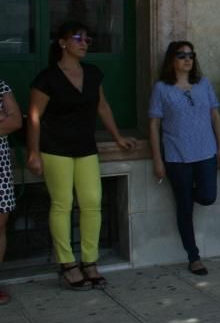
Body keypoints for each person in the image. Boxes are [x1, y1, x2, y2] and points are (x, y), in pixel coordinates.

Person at [27, 21, 137, 290]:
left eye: (88, 39)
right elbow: (34, 117)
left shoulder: (93, 73)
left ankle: (90, 261)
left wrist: (118, 137)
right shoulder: (47, 77)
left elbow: (103, 107)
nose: (84, 43)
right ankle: (67, 263)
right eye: (78, 38)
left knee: (91, 202)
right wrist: (33, 152)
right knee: (62, 204)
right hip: (55, 148)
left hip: (86, 147)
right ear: (63, 43)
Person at [149, 41, 220, 275]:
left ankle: (186, 194)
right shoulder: (162, 88)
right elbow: (154, 125)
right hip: (177, 156)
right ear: (172, 60)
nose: (187, 59)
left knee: (207, 196)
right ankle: (193, 256)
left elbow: (215, 116)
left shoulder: (203, 84)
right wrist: (157, 160)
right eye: (181, 55)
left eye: (190, 55)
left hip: (206, 152)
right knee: (184, 208)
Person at [0, 78, 23, 304]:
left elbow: (15, 121)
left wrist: (7, 119)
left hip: (0, 167)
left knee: (0, 222)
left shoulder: (1, 85)